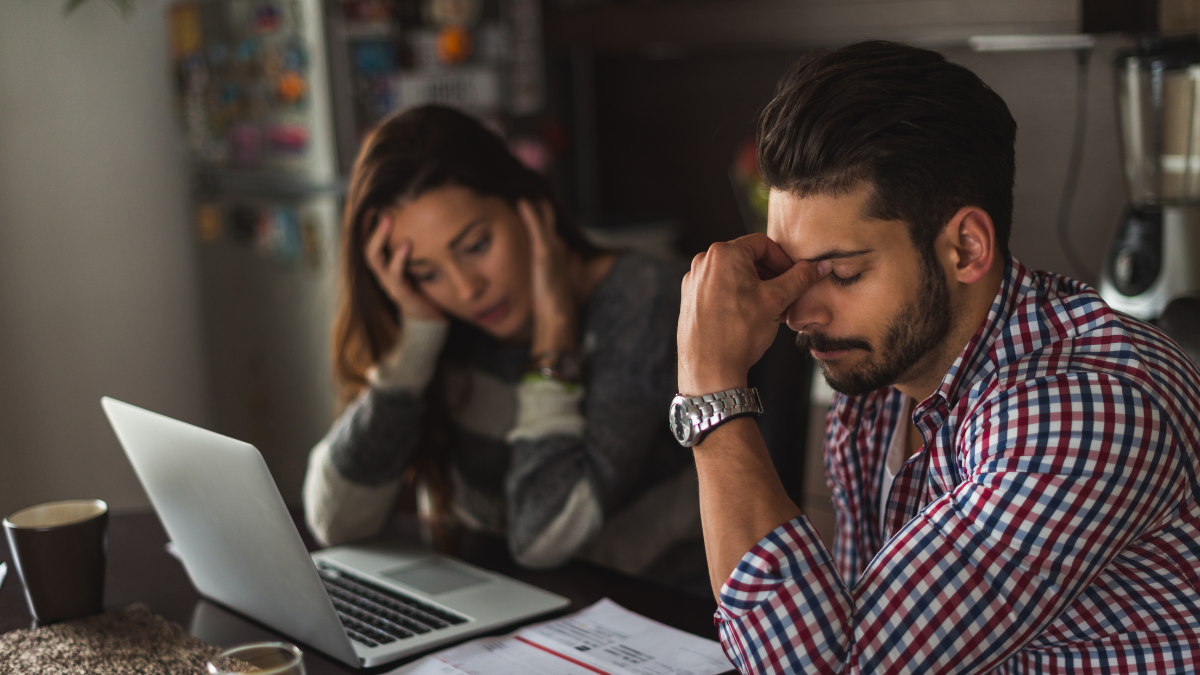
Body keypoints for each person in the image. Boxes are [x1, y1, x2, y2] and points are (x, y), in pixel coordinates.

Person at [674, 41, 1200, 673]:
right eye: (790, 272)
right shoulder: (877, 385)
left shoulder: (1084, 411)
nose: (800, 314)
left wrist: (712, 390)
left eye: (840, 272)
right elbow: (844, 631)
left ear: (966, 248)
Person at [303, 105, 702, 580]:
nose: (466, 289)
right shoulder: (444, 325)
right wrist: (415, 344)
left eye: (475, 246)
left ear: (528, 205)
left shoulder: (641, 299)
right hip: (509, 609)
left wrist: (555, 336)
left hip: (649, 615)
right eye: (426, 273)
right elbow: (335, 521)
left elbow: (543, 536)